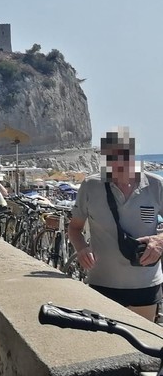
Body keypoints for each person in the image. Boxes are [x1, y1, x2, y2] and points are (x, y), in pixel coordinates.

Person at [68, 127, 163, 321]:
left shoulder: (155, 185)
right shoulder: (91, 186)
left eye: (123, 157)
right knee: (107, 348)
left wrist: (159, 240)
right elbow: (74, 228)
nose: (118, 164)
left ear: (133, 155)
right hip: (102, 284)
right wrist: (81, 248)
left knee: (143, 345)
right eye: (111, 158)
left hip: (145, 285)